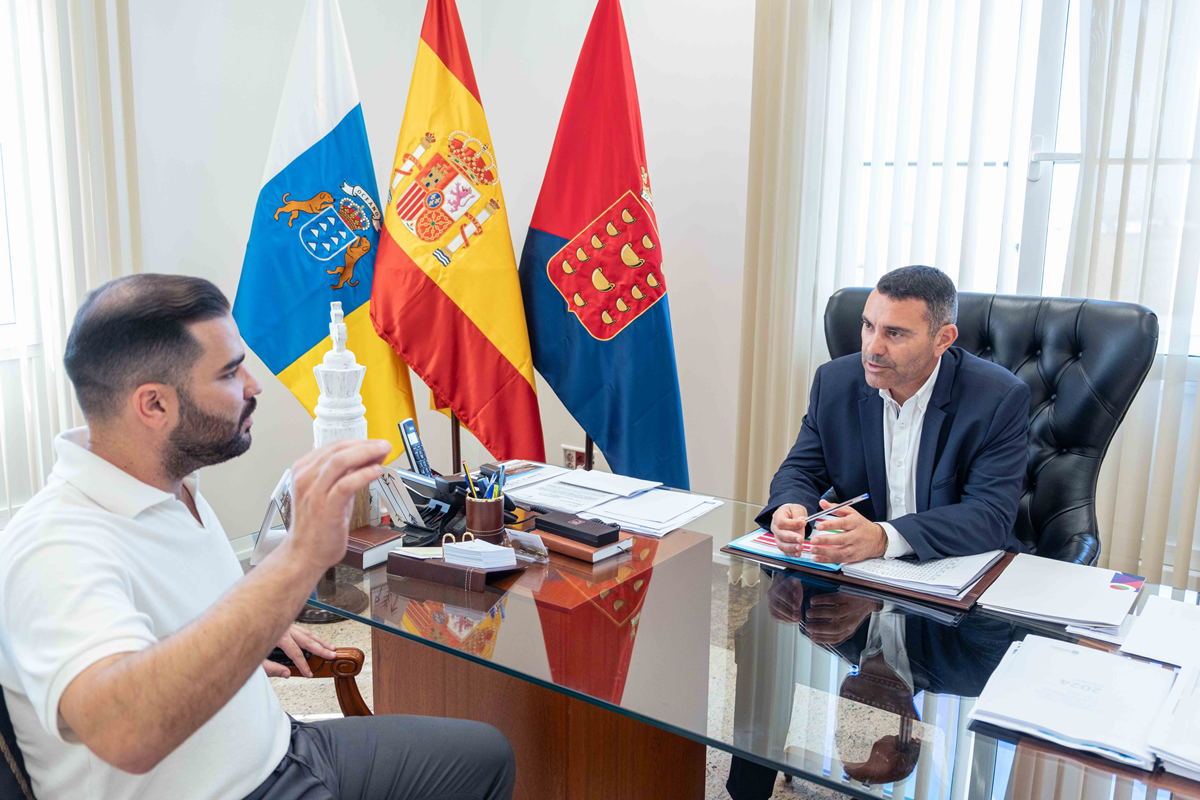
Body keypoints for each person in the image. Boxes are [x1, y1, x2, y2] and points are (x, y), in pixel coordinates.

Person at [0, 275, 515, 800]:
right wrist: (296, 562)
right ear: (152, 406)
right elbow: (123, 732)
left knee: (487, 758)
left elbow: (174, 616)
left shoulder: (169, 482)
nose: (253, 384)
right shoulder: (53, 549)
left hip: (284, 747)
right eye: (229, 373)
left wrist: (256, 625)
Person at [759, 265, 1031, 564]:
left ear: (943, 339)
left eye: (895, 333)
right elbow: (801, 470)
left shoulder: (997, 399)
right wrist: (790, 508)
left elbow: (989, 515)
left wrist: (884, 537)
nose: (872, 348)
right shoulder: (835, 382)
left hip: (953, 569)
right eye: (868, 326)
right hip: (862, 575)